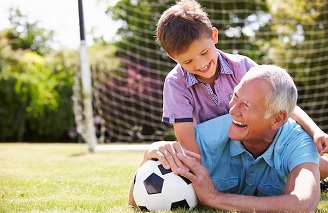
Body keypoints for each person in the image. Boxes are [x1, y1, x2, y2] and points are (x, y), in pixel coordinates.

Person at [157, 0, 328, 180]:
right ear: (172, 57)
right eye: (187, 62)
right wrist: (199, 176)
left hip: (258, 141)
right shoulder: (175, 83)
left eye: (204, 52)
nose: (200, 65)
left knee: (314, 165)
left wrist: (316, 132)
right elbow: (186, 138)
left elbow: (283, 104)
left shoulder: (242, 66)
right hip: (218, 152)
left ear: (214, 35)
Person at [129, 65, 320, 212]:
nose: (232, 110)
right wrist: (148, 158)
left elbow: (304, 203)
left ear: (277, 119)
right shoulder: (204, 140)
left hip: (296, 157)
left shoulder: (298, 142)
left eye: (246, 105)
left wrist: (215, 198)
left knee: (319, 167)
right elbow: (134, 201)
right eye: (234, 96)